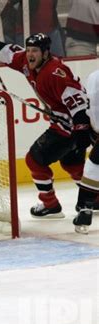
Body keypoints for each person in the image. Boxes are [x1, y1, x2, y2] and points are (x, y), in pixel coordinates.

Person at [0, 28, 91, 218]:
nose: (30, 54)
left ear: (46, 53)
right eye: (29, 49)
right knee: (72, 163)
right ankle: (94, 198)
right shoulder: (26, 61)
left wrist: (82, 130)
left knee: (34, 160)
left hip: (71, 125)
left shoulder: (55, 73)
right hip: (66, 123)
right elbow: (8, 52)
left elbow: (79, 104)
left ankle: (50, 205)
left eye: (35, 50)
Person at [74, 69, 99, 234]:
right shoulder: (94, 76)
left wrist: (89, 127)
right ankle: (85, 208)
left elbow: (92, 109)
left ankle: (85, 208)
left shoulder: (94, 76)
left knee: (93, 165)